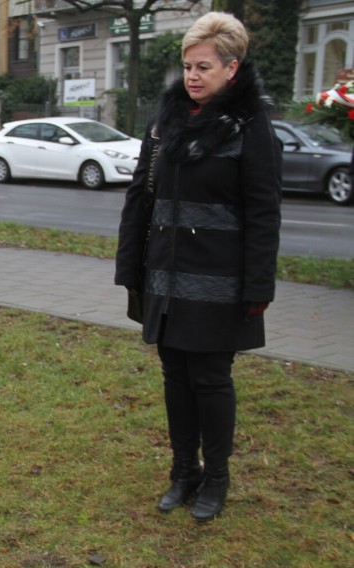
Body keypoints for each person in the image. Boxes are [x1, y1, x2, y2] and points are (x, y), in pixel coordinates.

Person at [115, 12, 281, 522]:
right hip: (166, 272)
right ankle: (182, 471)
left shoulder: (250, 126)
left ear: (231, 69)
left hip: (220, 281)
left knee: (210, 377)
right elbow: (141, 194)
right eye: (188, 66)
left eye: (203, 66)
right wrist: (132, 267)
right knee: (174, 374)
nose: (192, 76)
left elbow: (263, 212)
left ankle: (216, 479)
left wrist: (257, 286)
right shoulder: (166, 122)